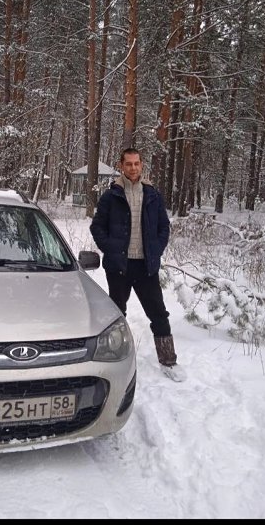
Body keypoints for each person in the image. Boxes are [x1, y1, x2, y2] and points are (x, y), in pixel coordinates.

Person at [90, 147, 186, 382]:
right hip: (119, 266)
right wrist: (111, 248)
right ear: (121, 165)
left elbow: (163, 227)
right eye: (128, 164)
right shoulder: (111, 196)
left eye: (136, 163)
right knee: (116, 314)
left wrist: (156, 248)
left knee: (158, 313)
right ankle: (114, 357)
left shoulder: (153, 195)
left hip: (146, 266)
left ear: (142, 165)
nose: (133, 168)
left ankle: (168, 360)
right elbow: (97, 226)